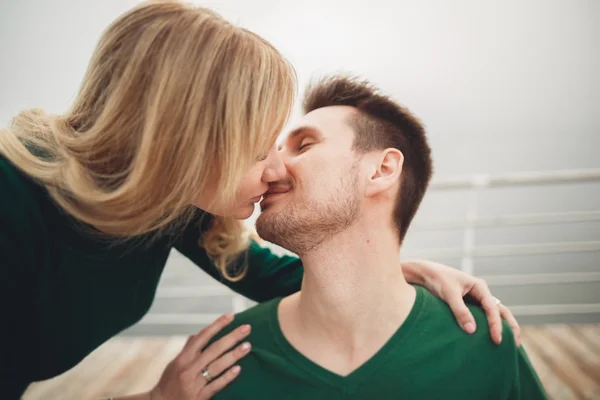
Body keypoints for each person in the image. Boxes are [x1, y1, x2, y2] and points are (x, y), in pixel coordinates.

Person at [0, 2, 519, 399]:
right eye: (257, 147)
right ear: (184, 140)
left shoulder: (173, 205)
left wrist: (407, 272)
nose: (277, 169)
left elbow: (273, 273)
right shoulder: (13, 206)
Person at [208, 76, 547, 399]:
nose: (272, 169)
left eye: (304, 145)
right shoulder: (223, 360)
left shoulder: (483, 343)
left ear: (382, 170)